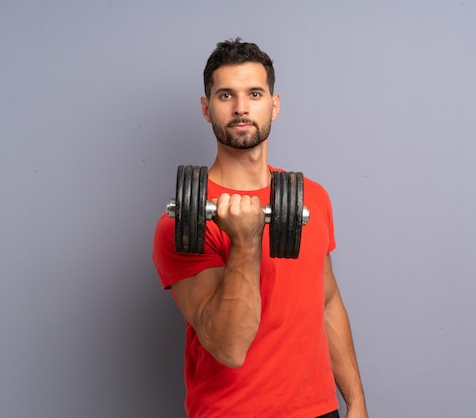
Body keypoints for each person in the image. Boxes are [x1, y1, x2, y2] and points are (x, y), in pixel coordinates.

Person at [153, 38, 368, 418]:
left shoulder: (312, 198)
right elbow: (228, 347)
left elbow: (328, 300)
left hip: (319, 410)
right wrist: (246, 239)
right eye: (225, 96)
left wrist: (356, 402)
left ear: (274, 104)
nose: (241, 108)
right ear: (206, 109)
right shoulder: (179, 225)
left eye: (254, 93)